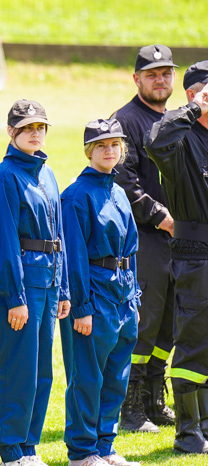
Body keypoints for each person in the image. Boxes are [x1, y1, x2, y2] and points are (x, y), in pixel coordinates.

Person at [0, 100, 71, 466]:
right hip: (23, 286)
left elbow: (59, 234)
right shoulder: (4, 176)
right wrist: (14, 296)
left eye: (40, 127)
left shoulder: (46, 173)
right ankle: (12, 456)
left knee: (41, 371)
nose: (35, 133)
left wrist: (63, 286)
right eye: (27, 127)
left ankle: (29, 450)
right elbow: (2, 243)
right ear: (11, 132)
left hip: (48, 282)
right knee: (19, 369)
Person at [60, 119, 142, 466]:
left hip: (122, 294)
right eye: (102, 145)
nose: (110, 151)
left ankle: (105, 445)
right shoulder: (76, 196)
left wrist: (134, 299)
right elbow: (73, 257)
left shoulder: (119, 192)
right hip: (94, 292)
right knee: (88, 375)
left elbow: (132, 250)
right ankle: (81, 451)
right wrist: (82, 307)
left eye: (115, 145)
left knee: (117, 373)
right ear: (89, 151)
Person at [111, 45, 178, 433]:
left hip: (178, 239)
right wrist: (162, 217)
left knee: (169, 324)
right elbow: (125, 184)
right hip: (144, 239)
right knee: (143, 324)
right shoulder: (124, 122)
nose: (159, 80)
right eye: (152, 74)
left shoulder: (175, 120)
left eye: (166, 73)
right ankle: (130, 407)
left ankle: (154, 400)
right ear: (136, 79)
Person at [145, 61, 208, 454]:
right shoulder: (181, 139)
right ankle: (189, 433)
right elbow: (155, 142)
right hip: (195, 254)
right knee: (193, 344)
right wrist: (193, 109)